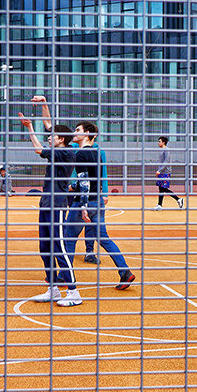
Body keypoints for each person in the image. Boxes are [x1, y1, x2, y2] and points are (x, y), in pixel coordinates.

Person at [19, 95, 82, 307]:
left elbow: (38, 148)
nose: (49, 136)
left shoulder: (65, 152)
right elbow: (48, 124)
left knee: (59, 246)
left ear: (61, 139)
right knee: (45, 246)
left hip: (58, 205)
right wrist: (44, 103)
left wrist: (29, 128)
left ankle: (73, 291)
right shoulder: (59, 147)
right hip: (46, 203)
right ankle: (53, 289)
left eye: (53, 136)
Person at [64, 121, 136, 290]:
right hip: (97, 202)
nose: (75, 132)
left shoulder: (81, 154)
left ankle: (64, 276)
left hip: (85, 202)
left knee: (68, 237)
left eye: (77, 130)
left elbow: (84, 182)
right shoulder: (96, 153)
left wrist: (80, 204)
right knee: (103, 238)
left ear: (87, 133)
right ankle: (124, 271)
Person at [152, 136, 183, 210]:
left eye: (159, 141)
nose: (158, 143)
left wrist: (159, 170)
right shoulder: (162, 150)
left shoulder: (166, 150)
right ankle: (159, 205)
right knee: (161, 188)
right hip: (161, 172)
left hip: (165, 172)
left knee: (164, 188)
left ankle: (178, 199)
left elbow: (166, 162)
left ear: (163, 142)